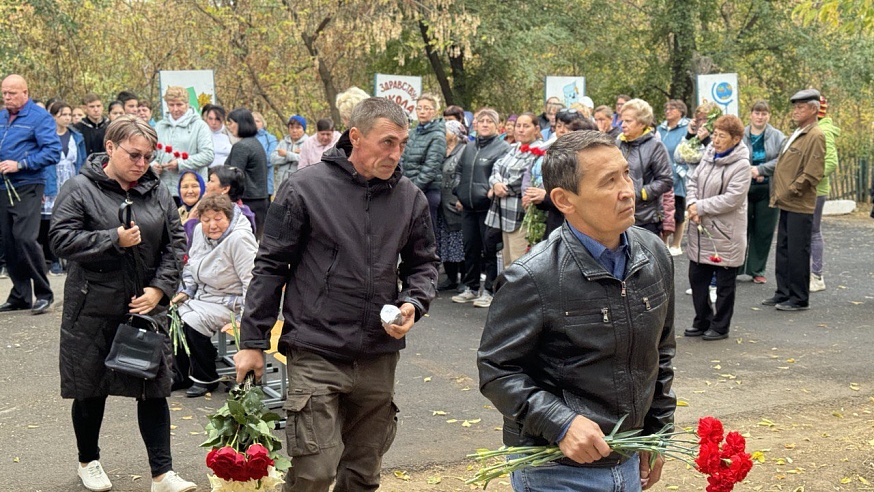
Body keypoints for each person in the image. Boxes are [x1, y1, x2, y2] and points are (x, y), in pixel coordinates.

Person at [233, 97, 439, 491]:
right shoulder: (305, 188)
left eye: (402, 144)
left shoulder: (409, 197)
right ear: (356, 137)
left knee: (362, 474)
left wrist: (413, 302)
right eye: (387, 142)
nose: (396, 153)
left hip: (378, 353)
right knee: (315, 472)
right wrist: (252, 341)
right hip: (316, 346)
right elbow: (270, 266)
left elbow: (424, 264)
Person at [477, 130, 675, 491]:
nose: (628, 190)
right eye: (609, 181)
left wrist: (657, 433)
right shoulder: (533, 277)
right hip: (556, 470)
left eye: (626, 174)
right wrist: (561, 423)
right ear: (564, 200)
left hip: (629, 459)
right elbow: (496, 371)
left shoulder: (654, 255)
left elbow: (659, 353)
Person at [49, 115, 195, 492]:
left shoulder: (157, 190)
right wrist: (112, 238)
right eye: (134, 155)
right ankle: (88, 460)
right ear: (110, 148)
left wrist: (160, 290)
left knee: (154, 388)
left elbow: (175, 244)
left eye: (148, 157)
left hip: (145, 307)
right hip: (91, 307)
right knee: (90, 388)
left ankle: (162, 474)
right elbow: (61, 240)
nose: (141, 164)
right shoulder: (79, 188)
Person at [171, 193, 256, 397]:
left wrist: (242, 318)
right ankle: (181, 373)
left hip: (232, 301)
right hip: (206, 295)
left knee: (192, 320)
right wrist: (186, 291)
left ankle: (205, 377)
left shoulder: (240, 239)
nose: (212, 225)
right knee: (172, 314)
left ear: (228, 217)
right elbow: (192, 265)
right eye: (206, 219)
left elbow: (252, 283)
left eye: (218, 219)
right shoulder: (200, 231)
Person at [684, 115, 751, 341]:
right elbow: (692, 181)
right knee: (697, 278)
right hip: (700, 228)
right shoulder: (709, 155)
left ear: (736, 139)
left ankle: (720, 326)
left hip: (725, 233)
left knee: (724, 285)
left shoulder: (742, 165)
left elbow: (732, 198)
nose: (716, 140)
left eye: (721, 136)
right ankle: (702, 320)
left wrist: (700, 207)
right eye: (714, 134)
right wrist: (692, 204)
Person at [0, 74, 61, 315]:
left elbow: (52, 152)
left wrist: (21, 164)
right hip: (3, 186)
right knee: (8, 242)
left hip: (28, 184)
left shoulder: (40, 118)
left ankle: (44, 293)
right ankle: (20, 295)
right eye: (4, 92)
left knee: (24, 237)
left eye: (11, 93)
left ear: (25, 93)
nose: (6, 97)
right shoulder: (2, 117)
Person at [762, 89, 826, 311]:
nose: (795, 111)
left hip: (799, 202)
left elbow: (812, 173)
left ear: (813, 109)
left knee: (798, 252)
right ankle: (784, 292)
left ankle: (799, 298)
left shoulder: (815, 135)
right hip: (786, 201)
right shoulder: (798, 132)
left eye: (800, 107)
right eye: (795, 107)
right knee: (784, 250)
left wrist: (791, 190)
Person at [451, 109, 510, 308]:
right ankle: (471, 287)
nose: (484, 124)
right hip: (467, 207)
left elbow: (502, 174)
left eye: (489, 121)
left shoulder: (503, 148)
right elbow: (457, 171)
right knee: (470, 248)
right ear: (475, 124)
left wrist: (489, 191)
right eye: (481, 121)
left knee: (490, 249)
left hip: (489, 208)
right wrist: (458, 191)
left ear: (497, 125)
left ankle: (489, 290)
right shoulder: (468, 147)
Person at [485, 112, 544, 277]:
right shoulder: (513, 147)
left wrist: (504, 188)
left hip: (521, 215)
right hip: (503, 213)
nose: (521, 130)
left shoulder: (539, 150)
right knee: (507, 262)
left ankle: (522, 302)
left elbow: (523, 178)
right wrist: (495, 183)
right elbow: (496, 167)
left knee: (520, 263)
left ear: (537, 129)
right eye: (518, 126)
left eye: (526, 126)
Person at [524, 109, 597, 239]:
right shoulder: (556, 154)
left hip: (577, 229)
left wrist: (546, 197)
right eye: (559, 126)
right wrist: (536, 198)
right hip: (555, 226)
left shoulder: (587, 159)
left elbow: (580, 199)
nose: (562, 131)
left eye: (568, 128)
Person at [741, 101, 786, 284]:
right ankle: (735, 267)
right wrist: (749, 170)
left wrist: (761, 170)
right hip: (743, 189)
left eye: (764, 114)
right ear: (751, 114)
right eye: (757, 113)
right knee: (740, 229)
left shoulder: (777, 136)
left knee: (763, 231)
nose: (760, 117)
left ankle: (757, 269)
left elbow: (783, 159)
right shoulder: (741, 134)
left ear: (769, 116)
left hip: (768, 189)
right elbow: (733, 155)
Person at [41, 101, 86, 276]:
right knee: (53, 222)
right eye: (63, 115)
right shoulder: (46, 136)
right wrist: (44, 188)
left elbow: (81, 161)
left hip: (71, 180)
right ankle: (54, 260)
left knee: (73, 220)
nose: (67, 118)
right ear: (53, 117)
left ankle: (71, 258)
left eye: (69, 114)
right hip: (52, 181)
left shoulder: (76, 136)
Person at [617, 98, 673, 235]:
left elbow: (666, 180)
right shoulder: (618, 143)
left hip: (646, 219)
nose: (623, 125)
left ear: (642, 123)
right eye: (622, 120)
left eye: (628, 121)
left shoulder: (655, 146)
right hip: (619, 214)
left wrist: (641, 193)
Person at [152, 86, 214, 203]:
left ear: (187, 104)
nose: (175, 109)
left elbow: (208, 155)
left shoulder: (200, 126)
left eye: (179, 104)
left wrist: (180, 164)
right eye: (171, 105)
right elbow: (151, 153)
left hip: (191, 190)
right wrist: (153, 165)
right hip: (164, 189)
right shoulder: (160, 126)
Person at [401, 93, 447, 232]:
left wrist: (414, 188)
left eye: (426, 108)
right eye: (419, 108)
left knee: (426, 233)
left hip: (427, 191)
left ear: (434, 111)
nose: (422, 111)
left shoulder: (438, 135)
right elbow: (404, 158)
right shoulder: (413, 133)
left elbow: (431, 168)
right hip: (409, 189)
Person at [810, 96, 840, 292]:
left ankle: (817, 276)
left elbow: (831, 162)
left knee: (813, 232)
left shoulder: (824, 131)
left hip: (815, 190)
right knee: (806, 232)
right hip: (808, 190)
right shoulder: (814, 129)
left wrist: (809, 180)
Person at [225, 108, 268, 238]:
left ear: (241, 123)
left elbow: (234, 175)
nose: (229, 126)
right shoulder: (255, 143)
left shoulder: (242, 146)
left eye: (231, 122)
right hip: (260, 200)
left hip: (247, 201)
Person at [657, 100, 691, 256]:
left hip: (678, 176)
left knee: (678, 210)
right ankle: (664, 243)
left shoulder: (686, 128)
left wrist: (681, 173)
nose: (668, 111)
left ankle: (676, 244)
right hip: (661, 176)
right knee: (663, 210)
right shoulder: (660, 129)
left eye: (672, 108)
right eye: (666, 108)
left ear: (681, 111)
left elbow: (689, 150)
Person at [436, 120, 467, 291]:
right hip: (441, 201)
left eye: (445, 130)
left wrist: (461, 196)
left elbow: (464, 175)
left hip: (455, 201)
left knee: (459, 241)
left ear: (454, 134)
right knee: (444, 240)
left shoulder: (463, 150)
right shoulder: (441, 150)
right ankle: (451, 277)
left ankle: (465, 278)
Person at [271, 115, 309, 190]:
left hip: (298, 184)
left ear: (303, 129)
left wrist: (287, 154)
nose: (294, 131)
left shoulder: (308, 143)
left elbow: (304, 159)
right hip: (281, 183)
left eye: (298, 128)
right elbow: (273, 159)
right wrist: (291, 154)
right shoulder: (283, 143)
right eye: (291, 128)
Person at [252, 111, 278, 197]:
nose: (255, 123)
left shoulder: (270, 139)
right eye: (252, 121)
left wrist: (252, 164)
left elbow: (270, 159)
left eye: (257, 121)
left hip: (265, 183)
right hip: (249, 186)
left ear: (263, 123)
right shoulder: (244, 138)